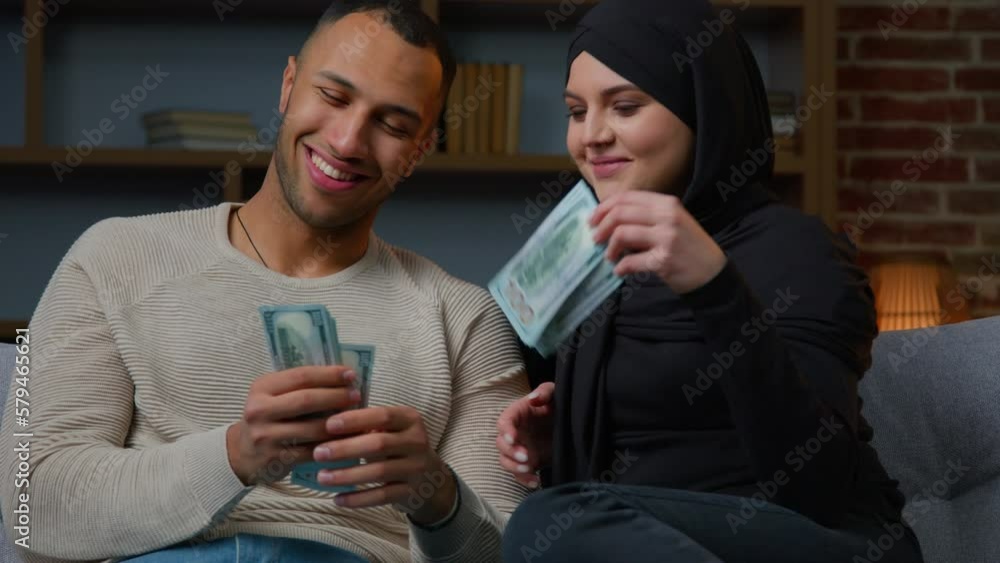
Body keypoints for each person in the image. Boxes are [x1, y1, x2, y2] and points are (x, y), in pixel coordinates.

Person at [0, 2, 530, 562]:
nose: (348, 141)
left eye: (392, 124)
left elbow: (508, 555)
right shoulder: (111, 256)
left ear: (419, 151)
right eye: (333, 96)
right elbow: (29, 504)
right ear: (288, 85)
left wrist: (437, 496)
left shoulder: (465, 320)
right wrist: (233, 457)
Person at [495, 1, 924, 562]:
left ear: (703, 108)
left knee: (554, 520)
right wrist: (562, 436)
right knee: (554, 519)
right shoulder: (590, 251)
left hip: (823, 542)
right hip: (659, 539)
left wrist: (713, 284)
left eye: (625, 107)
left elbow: (817, 486)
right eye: (577, 112)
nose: (592, 135)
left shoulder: (797, 251)